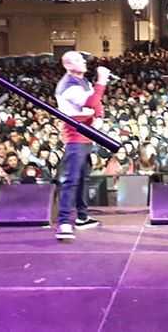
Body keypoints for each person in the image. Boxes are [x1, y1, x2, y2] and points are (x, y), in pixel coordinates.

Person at [53, 51, 109, 240]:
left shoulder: (83, 81)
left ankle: (82, 217)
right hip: (75, 137)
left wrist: (99, 116)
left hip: (86, 136)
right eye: (78, 59)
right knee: (71, 180)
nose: (84, 61)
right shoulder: (67, 85)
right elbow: (91, 101)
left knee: (83, 178)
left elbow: (96, 103)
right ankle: (64, 223)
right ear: (68, 66)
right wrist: (102, 80)